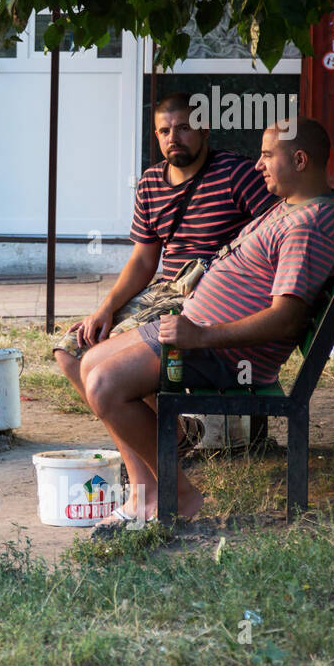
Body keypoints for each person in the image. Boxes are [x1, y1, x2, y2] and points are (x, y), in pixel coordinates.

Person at [79, 119, 334, 533]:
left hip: (225, 353)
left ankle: (178, 495)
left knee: (104, 384)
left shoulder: (307, 226)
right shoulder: (295, 206)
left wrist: (201, 335)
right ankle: (145, 493)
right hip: (199, 334)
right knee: (88, 364)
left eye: (267, 155)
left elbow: (286, 319)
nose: (258, 165)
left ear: (299, 160)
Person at [54, 92, 276, 447]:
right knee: (71, 349)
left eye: (184, 127)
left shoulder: (237, 174)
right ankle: (170, 437)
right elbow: (144, 260)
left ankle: (161, 444)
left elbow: (276, 230)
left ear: (205, 130)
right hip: (165, 290)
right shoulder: (150, 182)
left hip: (212, 295)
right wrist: (106, 308)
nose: (174, 137)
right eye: (164, 131)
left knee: (113, 355)